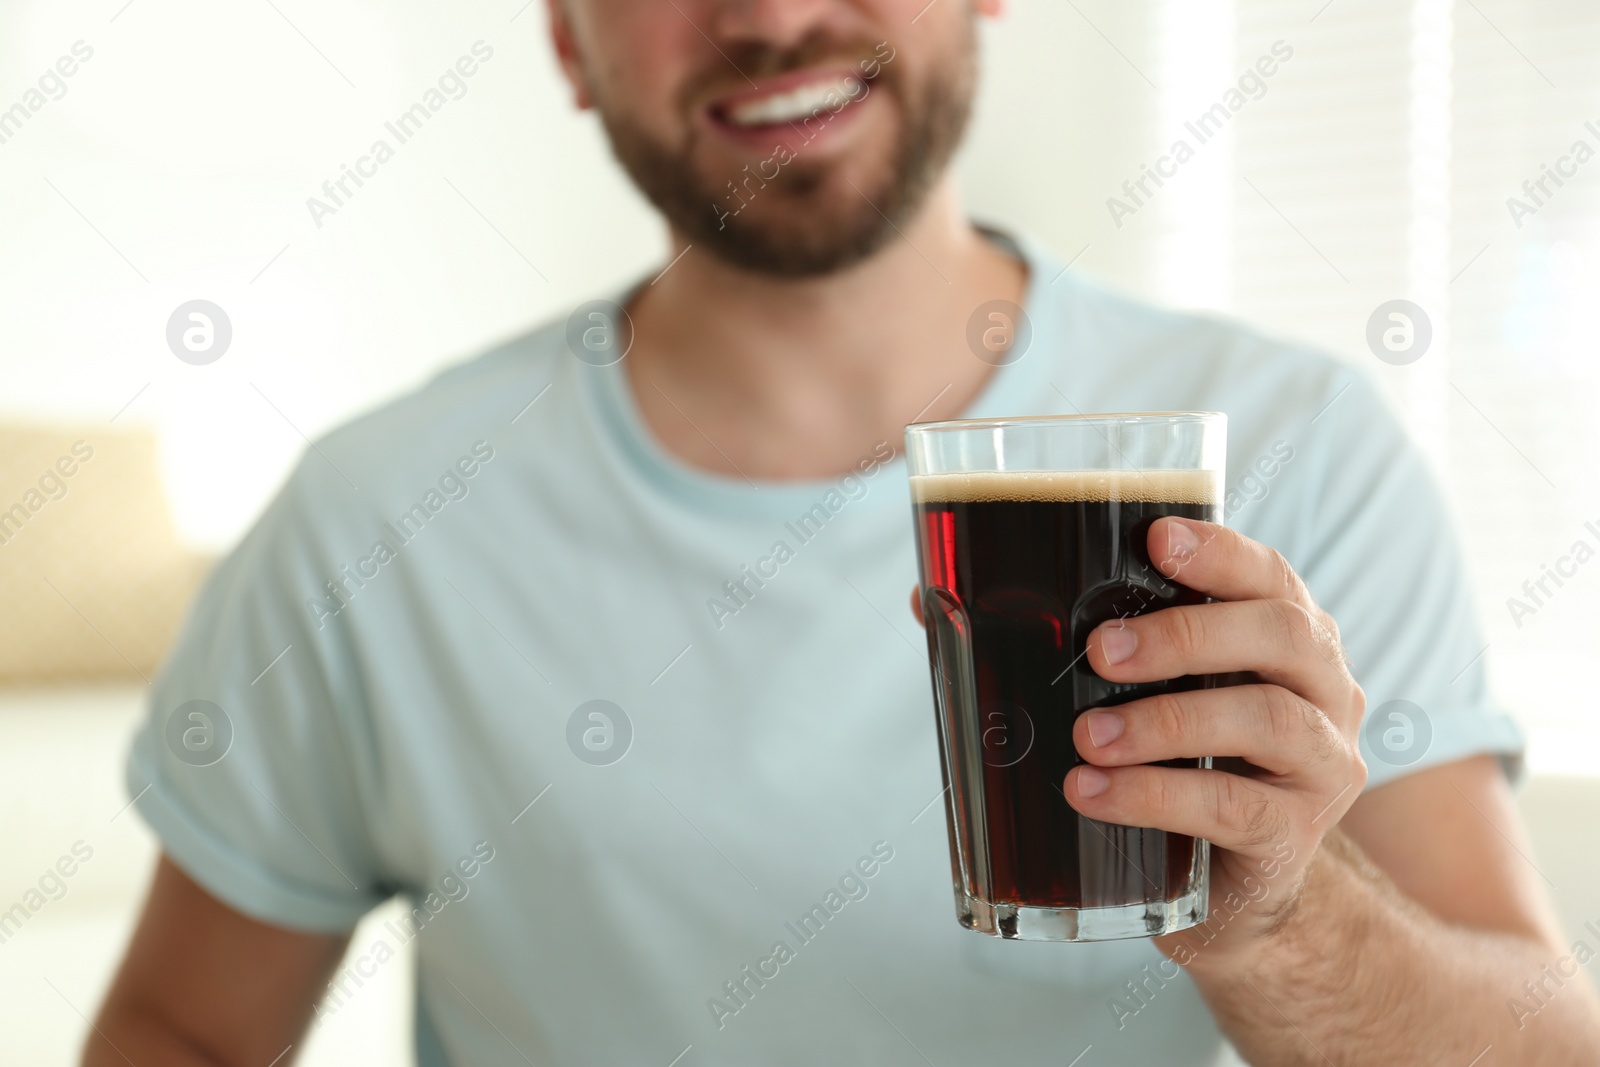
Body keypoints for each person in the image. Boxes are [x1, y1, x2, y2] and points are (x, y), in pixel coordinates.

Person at [89, 1, 1600, 1064]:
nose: (772, 9)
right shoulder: (369, 517)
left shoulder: (1292, 452)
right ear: (565, 36)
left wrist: (1280, 925)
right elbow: (182, 1031)